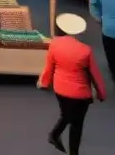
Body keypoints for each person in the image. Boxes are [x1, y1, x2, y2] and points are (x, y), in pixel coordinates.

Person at [38, 13, 106, 155]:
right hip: (80, 94)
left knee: (66, 114)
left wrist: (44, 83)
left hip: (60, 89)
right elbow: (95, 75)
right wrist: (101, 93)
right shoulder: (85, 50)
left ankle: (55, 135)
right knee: (77, 123)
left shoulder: (54, 44)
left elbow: (49, 67)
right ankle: (71, 150)